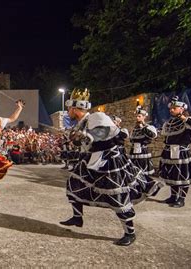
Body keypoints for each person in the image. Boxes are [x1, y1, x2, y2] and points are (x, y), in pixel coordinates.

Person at [59, 89, 160, 246]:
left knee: (117, 197)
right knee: (74, 184)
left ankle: (130, 233)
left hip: (108, 162)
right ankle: (77, 217)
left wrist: (88, 137)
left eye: (69, 109)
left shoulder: (97, 117)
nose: (67, 112)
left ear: (74, 108)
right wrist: (76, 139)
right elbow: (86, 143)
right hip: (91, 160)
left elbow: (115, 135)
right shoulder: (83, 122)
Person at [159, 96, 191, 208]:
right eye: (171, 108)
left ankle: (181, 199)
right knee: (172, 175)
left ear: (181, 109)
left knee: (183, 176)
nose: (171, 109)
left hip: (182, 152)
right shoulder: (169, 123)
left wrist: (185, 118)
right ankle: (173, 196)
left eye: (174, 108)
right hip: (169, 152)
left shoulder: (189, 121)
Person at [129, 106, 157, 179]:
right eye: (136, 116)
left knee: (143, 169)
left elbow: (152, 136)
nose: (137, 118)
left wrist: (143, 126)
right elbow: (131, 139)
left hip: (143, 151)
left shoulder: (148, 127)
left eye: (139, 116)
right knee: (134, 170)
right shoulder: (134, 129)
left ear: (144, 117)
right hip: (134, 151)